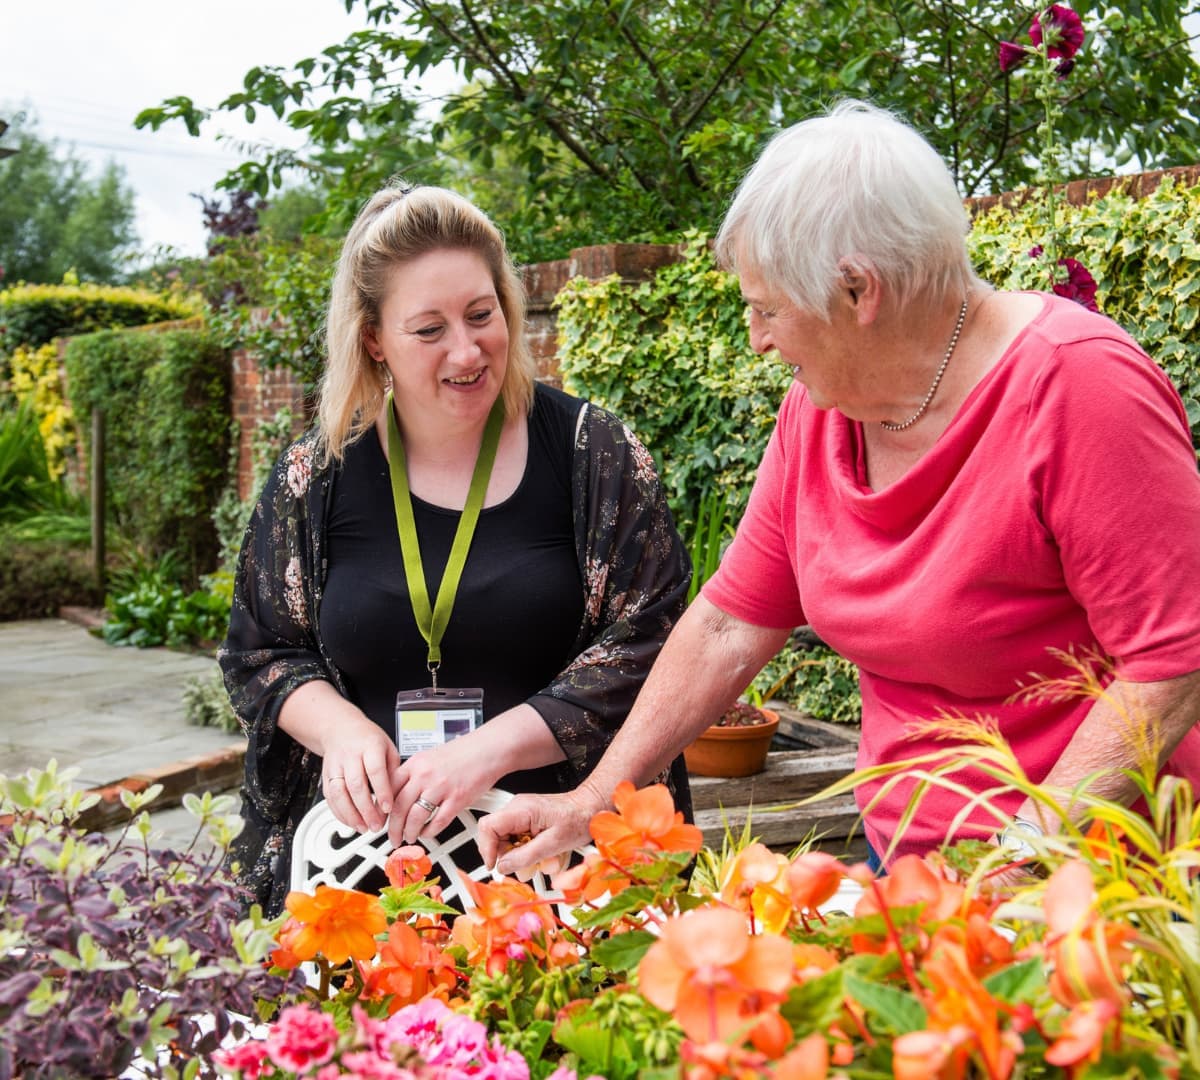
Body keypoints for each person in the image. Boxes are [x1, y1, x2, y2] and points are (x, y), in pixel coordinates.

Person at [479, 99, 1200, 876]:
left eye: (767, 310)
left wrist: (1017, 867)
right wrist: (596, 800)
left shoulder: (1077, 387)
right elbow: (729, 623)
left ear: (860, 292)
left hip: (1100, 883)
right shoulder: (820, 411)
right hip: (911, 863)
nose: (757, 340)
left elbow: (1169, 667)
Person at [219, 183, 692, 914]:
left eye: (482, 314)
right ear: (373, 338)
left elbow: (653, 644)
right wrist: (340, 731)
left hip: (558, 862)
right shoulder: (313, 478)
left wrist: (488, 750)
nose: (468, 351)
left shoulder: (593, 454)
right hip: (364, 874)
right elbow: (260, 652)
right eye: (428, 329)